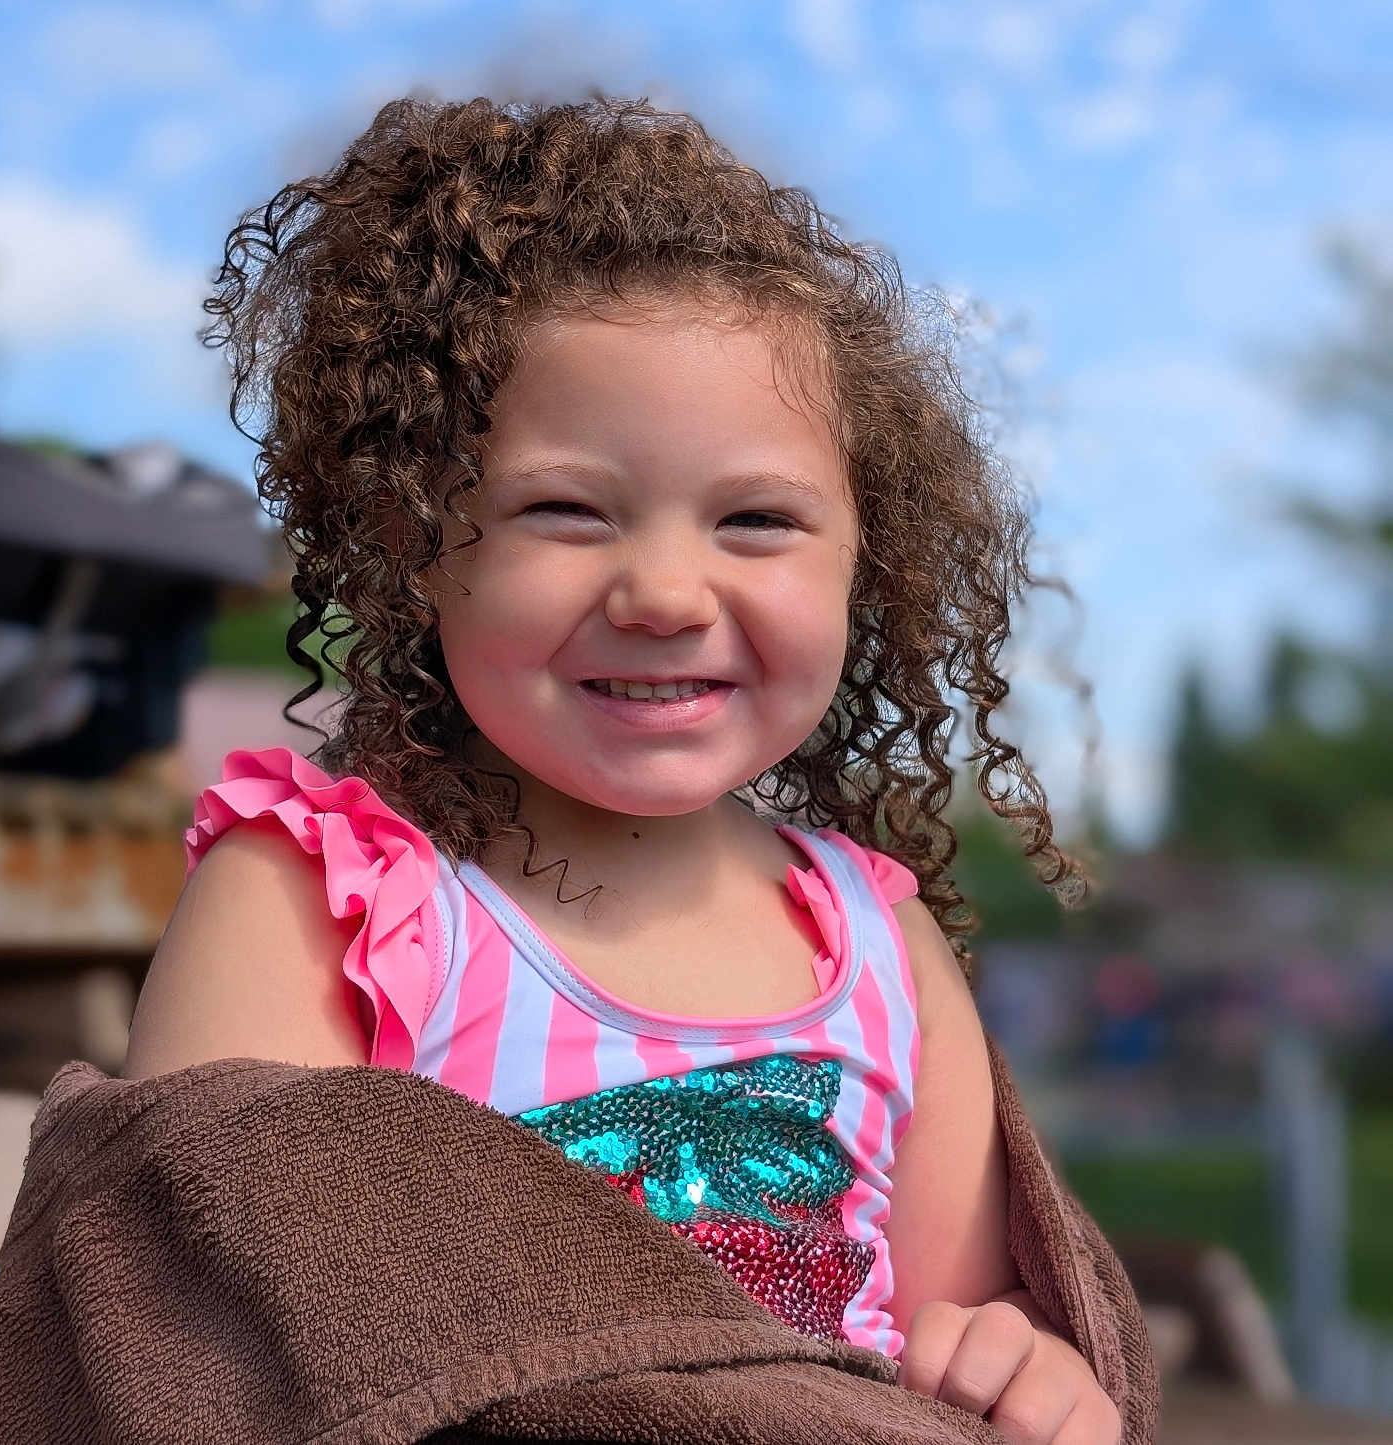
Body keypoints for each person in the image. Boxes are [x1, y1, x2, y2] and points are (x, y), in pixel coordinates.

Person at [124, 96, 1123, 1444]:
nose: (663, 590)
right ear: (414, 541)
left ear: (864, 566)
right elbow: (206, 1318)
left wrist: (1028, 1365)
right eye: (565, 510)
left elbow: (969, 1315)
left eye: (756, 520)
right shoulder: (327, 892)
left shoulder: (872, 940)